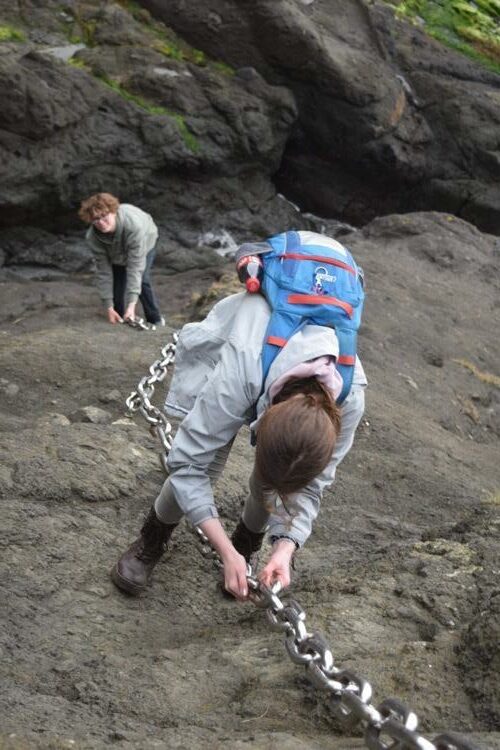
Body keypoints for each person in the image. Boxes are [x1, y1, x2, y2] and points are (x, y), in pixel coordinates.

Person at [111, 232, 367, 601]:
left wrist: (286, 547)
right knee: (207, 462)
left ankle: (248, 545)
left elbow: (312, 485)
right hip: (242, 343)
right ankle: (153, 538)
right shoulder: (242, 370)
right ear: (261, 424)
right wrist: (222, 551)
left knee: (269, 483)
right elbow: (187, 464)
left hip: (281, 357)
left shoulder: (350, 396)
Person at [78, 193, 164, 327]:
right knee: (117, 284)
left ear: (114, 212)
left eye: (104, 216)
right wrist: (108, 306)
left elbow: (135, 267)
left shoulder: (133, 226)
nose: (101, 222)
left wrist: (132, 304)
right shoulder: (92, 237)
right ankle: (118, 316)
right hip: (115, 252)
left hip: (145, 241)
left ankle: (155, 319)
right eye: (95, 220)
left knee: (141, 279)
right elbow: (104, 273)